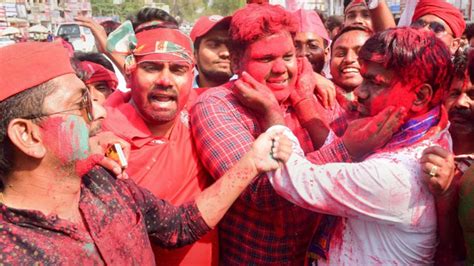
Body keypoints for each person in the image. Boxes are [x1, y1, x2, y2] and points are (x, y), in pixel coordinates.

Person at [0, 42, 291, 264]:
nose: (101, 111)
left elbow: (178, 226)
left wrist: (252, 162)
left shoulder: (104, 182)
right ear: (28, 135)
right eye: (81, 105)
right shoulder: (10, 249)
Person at [190, 3, 400, 264]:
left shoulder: (311, 91)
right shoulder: (216, 105)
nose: (280, 69)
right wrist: (345, 149)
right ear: (235, 61)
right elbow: (260, 192)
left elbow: (356, 170)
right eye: (265, 59)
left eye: (288, 57)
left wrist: (305, 102)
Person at [268, 26, 454, 264]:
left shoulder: (395, 175)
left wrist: (272, 116)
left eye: (375, 83)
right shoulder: (435, 127)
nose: (359, 92)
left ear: (420, 96)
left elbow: (296, 180)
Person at [102, 27, 219, 265]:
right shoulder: (103, 136)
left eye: (178, 70)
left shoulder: (205, 107)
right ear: (129, 74)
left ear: (191, 74)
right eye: (152, 68)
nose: (165, 80)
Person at [420, 49, 474, 264]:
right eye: (453, 93)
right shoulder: (421, 147)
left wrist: (446, 193)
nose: (461, 103)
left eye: (472, 95)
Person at [330, 25, 373, 102]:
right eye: (340, 54)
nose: (349, 59)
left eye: (360, 52)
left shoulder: (393, 102)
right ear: (329, 63)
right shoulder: (314, 97)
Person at [190, 15, 233, 89]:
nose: (226, 53)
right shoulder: (178, 97)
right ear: (194, 55)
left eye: (231, 46)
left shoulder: (250, 97)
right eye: (214, 45)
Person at [293, 9, 330, 75]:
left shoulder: (335, 85)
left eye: (313, 46)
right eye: (295, 46)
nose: (303, 53)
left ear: (326, 53)